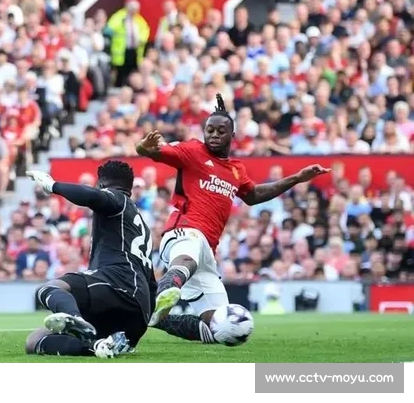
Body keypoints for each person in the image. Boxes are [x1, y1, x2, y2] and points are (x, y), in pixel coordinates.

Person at [135, 93, 330, 344]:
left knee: (219, 327)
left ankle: (152, 316)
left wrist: (296, 178)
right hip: (184, 230)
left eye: (220, 131)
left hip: (208, 250)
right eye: (210, 130)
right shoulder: (192, 150)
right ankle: (166, 289)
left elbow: (254, 195)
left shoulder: (236, 169)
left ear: (232, 135)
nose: (214, 135)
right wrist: (143, 146)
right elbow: (149, 151)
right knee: (189, 255)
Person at [25, 160, 156, 358]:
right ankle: (98, 346)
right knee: (34, 340)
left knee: (48, 289)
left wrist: (52, 186)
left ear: (101, 185)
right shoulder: (140, 226)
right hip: (136, 315)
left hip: (116, 284)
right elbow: (152, 285)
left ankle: (75, 320)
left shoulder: (118, 200)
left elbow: (94, 196)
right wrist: (139, 327)